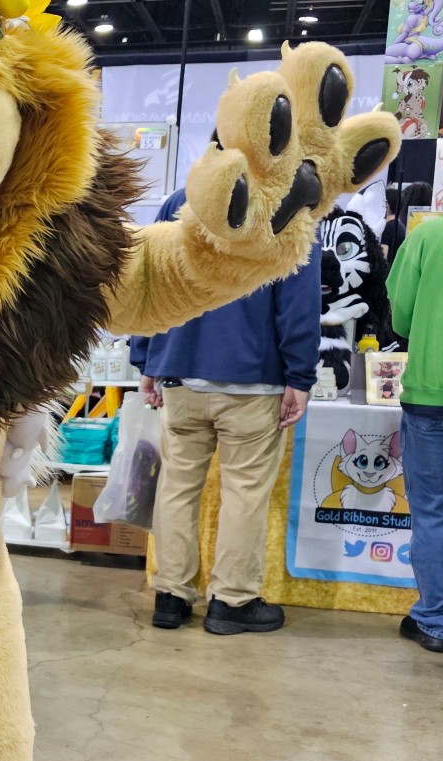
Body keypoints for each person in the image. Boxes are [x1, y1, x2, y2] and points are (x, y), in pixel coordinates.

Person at [132, 185, 319, 635]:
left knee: (177, 487)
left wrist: (147, 360)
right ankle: (232, 601)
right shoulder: (288, 208)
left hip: (180, 370)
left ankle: (170, 595)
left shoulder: (183, 200)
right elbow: (298, 300)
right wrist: (300, 377)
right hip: (253, 378)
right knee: (244, 493)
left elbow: (147, 279)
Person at [386, 166, 443, 654]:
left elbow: (399, 315)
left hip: (429, 394)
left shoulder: (426, 236)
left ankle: (436, 622)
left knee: (433, 510)